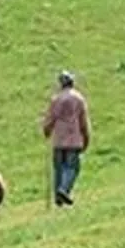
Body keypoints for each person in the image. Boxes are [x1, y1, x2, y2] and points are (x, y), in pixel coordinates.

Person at [42, 71, 90, 207]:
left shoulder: (56, 99)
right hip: (74, 141)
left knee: (58, 168)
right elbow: (83, 122)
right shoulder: (79, 99)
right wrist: (86, 138)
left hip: (58, 141)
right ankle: (64, 190)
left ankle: (58, 198)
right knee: (72, 168)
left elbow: (49, 119)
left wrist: (47, 131)